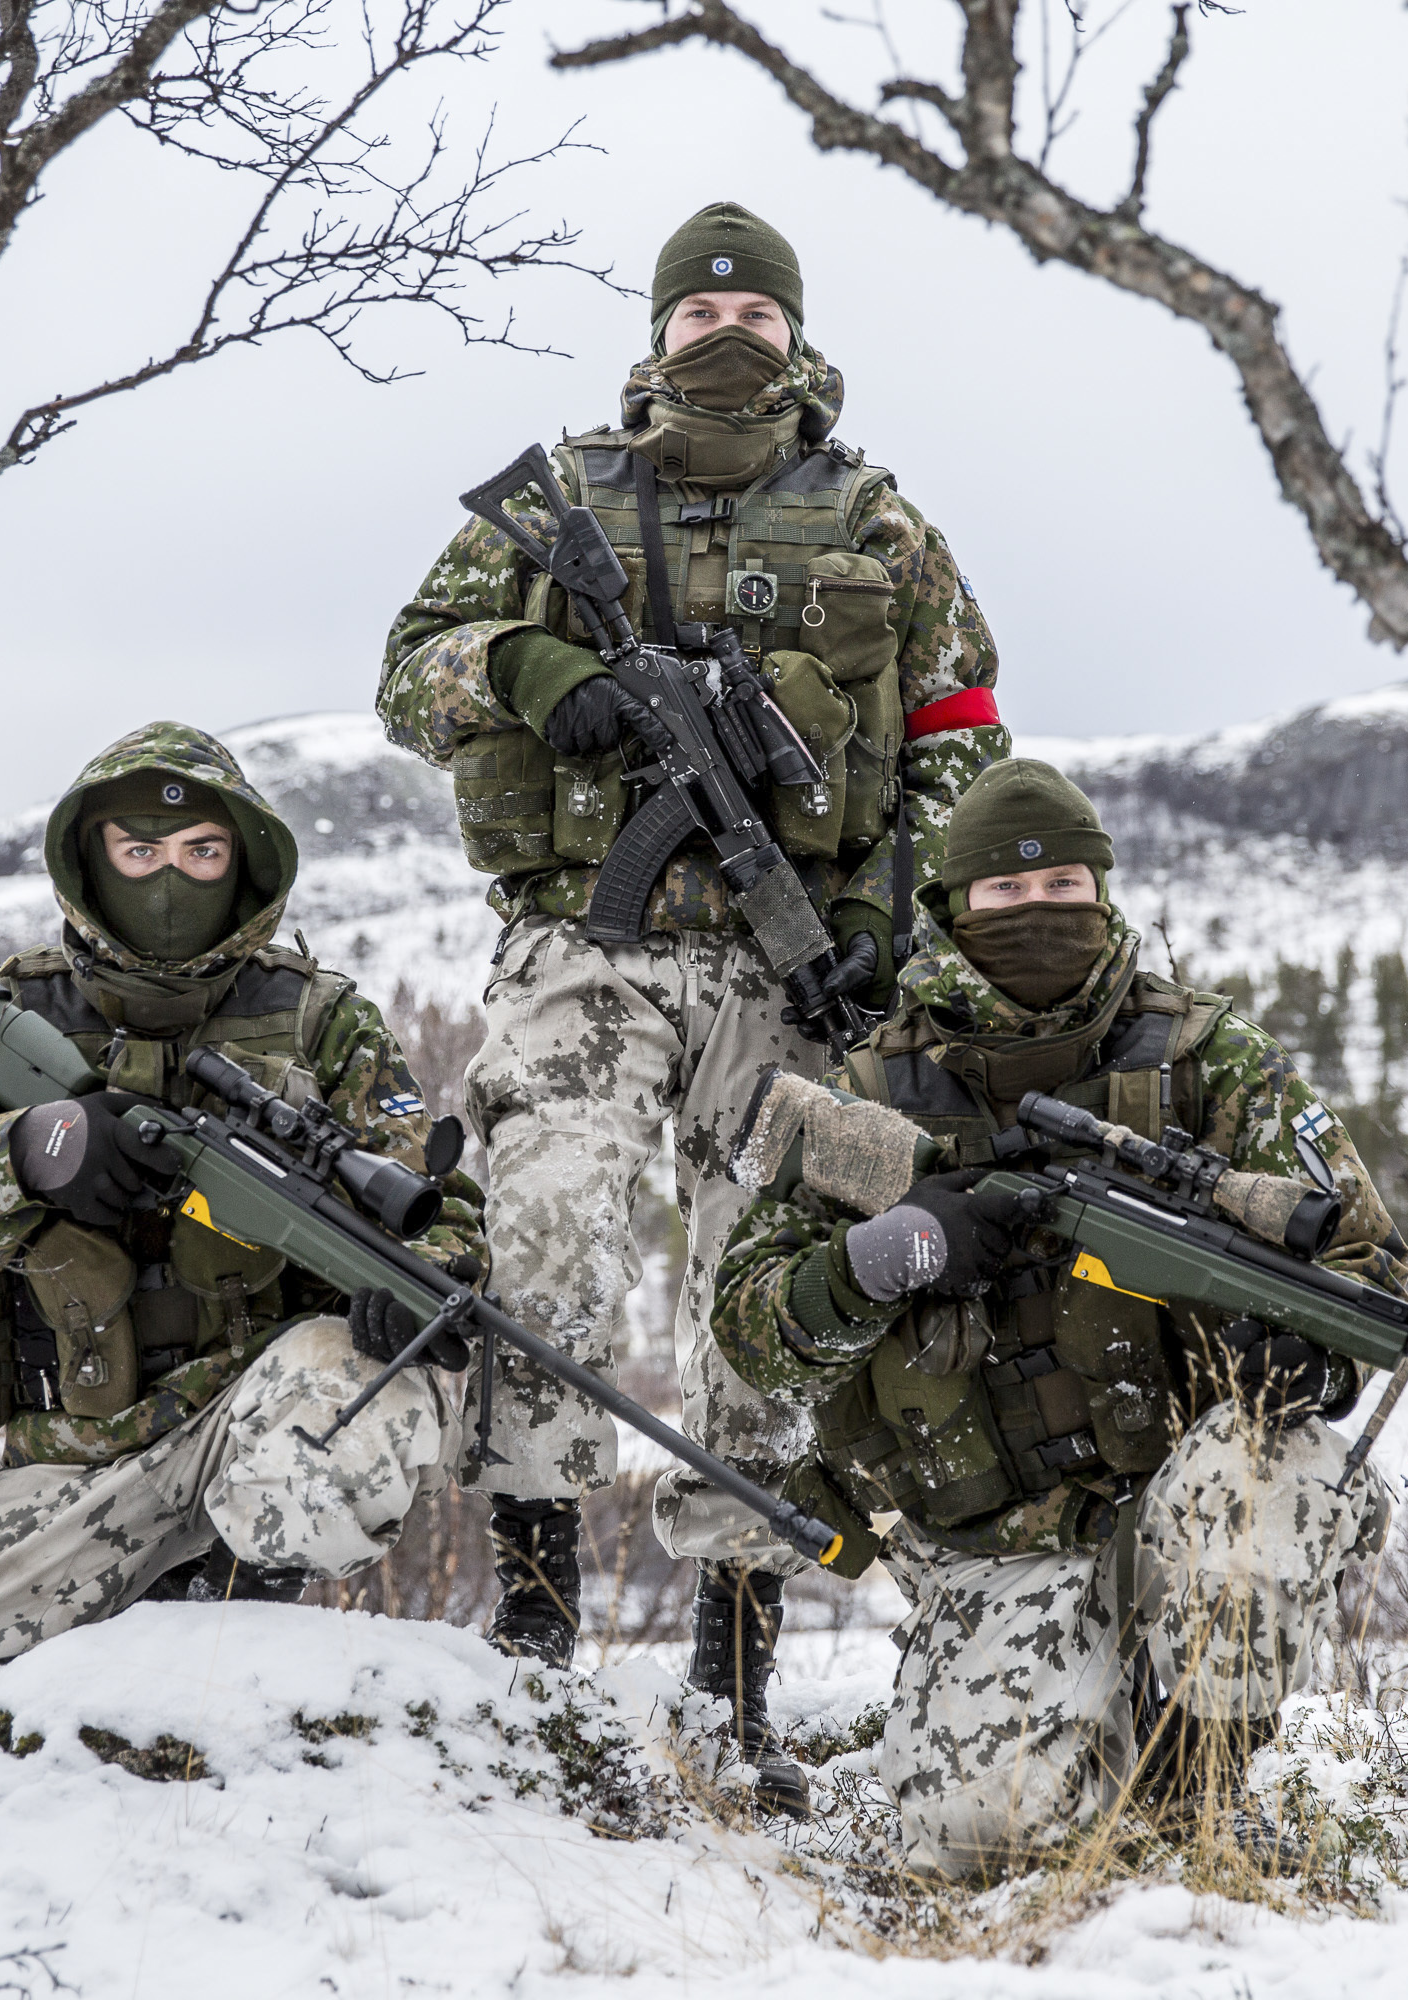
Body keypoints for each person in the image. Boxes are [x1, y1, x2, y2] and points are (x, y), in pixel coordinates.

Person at [376, 198, 1008, 1802]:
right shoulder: (569, 493)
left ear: (797, 333)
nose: (729, 334)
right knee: (553, 1234)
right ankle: (532, 1643)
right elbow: (411, 669)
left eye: (759, 314)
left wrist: (890, 919)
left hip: (780, 970)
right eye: (699, 312)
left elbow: (960, 737)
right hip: (584, 945)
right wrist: (543, 678)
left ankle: (733, 1687)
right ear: (658, 330)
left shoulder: (880, 521)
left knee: (766, 1296)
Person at [707, 759, 1407, 1874]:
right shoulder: (869, 1093)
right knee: (986, 1836)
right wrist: (884, 1255)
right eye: (1005, 895)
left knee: (1286, 1472)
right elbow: (745, 1321)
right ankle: (1081, 1718)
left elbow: (1368, 1259)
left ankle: (1194, 1782)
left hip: (1176, 1497)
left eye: (1064, 885)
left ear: (1105, 888)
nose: (1039, 913)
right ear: (952, 905)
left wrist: (1307, 1351)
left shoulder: (1205, 1054)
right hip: (985, 1537)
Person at [0, 723, 485, 1703]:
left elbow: (436, 1210)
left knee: (343, 1458)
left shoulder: (320, 1020)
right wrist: (31, 1152)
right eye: (139, 852)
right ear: (91, 861)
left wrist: (420, 1277)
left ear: (243, 863)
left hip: (253, 1417)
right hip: (72, 1459)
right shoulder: (21, 1011)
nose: (170, 878)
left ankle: (233, 1616)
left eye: (201, 852)